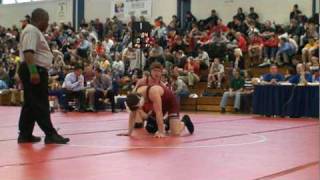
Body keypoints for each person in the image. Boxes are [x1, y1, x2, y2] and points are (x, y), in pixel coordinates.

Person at [18, 8, 69, 144]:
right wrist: (34, 71)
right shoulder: (31, 30)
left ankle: (25, 134)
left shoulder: (33, 31)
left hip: (33, 68)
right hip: (34, 69)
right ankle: (50, 134)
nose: (47, 24)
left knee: (30, 103)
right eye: (47, 21)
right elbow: (28, 52)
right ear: (41, 20)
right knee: (41, 103)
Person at [118, 84, 194, 138]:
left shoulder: (152, 92)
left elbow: (159, 112)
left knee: (175, 133)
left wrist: (161, 132)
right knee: (151, 128)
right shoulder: (135, 97)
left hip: (170, 102)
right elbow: (132, 115)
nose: (140, 107)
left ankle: (185, 120)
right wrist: (129, 132)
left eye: (139, 105)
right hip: (158, 102)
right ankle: (167, 122)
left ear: (139, 98)